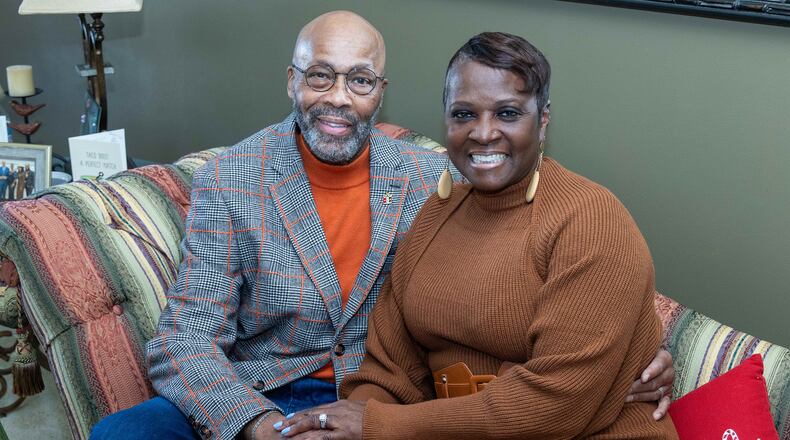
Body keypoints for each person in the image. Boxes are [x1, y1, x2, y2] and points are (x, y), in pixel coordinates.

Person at [91, 13, 673, 440]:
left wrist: (646, 353)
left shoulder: (430, 180)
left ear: (381, 94)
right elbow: (184, 337)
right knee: (123, 436)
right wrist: (252, 423)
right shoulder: (230, 180)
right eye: (320, 77)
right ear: (291, 81)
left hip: (380, 404)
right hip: (265, 389)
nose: (338, 99)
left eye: (360, 80)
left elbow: (586, 286)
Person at [274, 32, 678, 439]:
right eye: (464, 114)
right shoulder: (435, 215)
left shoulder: (590, 220)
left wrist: (381, 426)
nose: (483, 133)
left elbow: (555, 405)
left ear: (543, 120)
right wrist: (355, 420)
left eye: (507, 113)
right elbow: (388, 368)